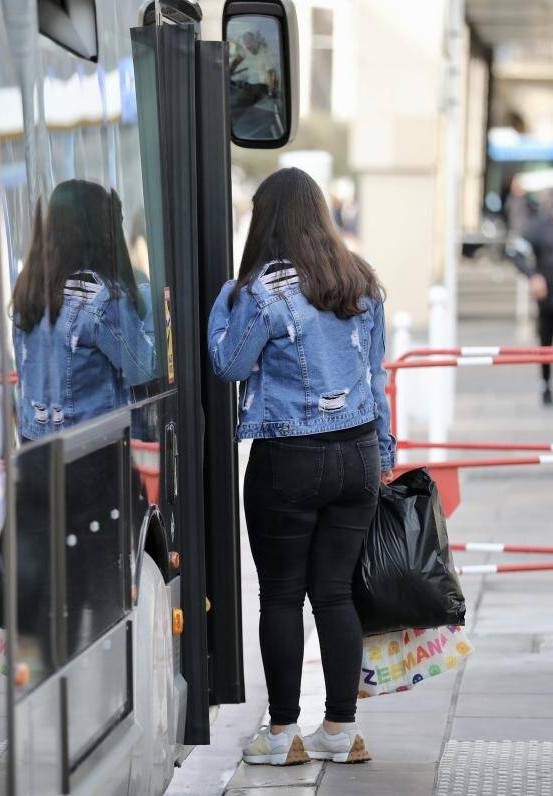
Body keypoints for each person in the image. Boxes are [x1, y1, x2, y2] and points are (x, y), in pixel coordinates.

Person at [208, 167, 395, 767]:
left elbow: (230, 364)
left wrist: (228, 299)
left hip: (288, 458)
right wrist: (385, 453)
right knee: (335, 593)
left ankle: (283, 732)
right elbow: (377, 378)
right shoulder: (359, 280)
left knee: (282, 596)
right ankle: (341, 730)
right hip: (359, 454)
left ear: (265, 221)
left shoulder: (264, 288)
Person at [11, 179, 156, 441]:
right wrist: (151, 299)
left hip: (36, 449)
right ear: (95, 232)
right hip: (92, 452)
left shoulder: (28, 293)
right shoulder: (100, 299)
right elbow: (144, 367)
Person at [521, 192, 553, 405]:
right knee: (545, 342)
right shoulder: (539, 228)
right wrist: (532, 276)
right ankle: (545, 385)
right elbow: (514, 251)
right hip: (548, 300)